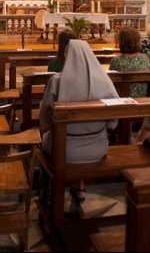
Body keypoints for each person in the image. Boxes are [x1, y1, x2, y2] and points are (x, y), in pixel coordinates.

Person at [39, 40, 119, 202]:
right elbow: (112, 122)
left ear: (67, 57)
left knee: (44, 140)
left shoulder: (57, 81)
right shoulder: (104, 81)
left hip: (63, 148)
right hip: (98, 147)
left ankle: (46, 192)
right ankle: (80, 185)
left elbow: (45, 122)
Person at [110, 26, 150, 97]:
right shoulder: (145, 58)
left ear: (121, 42)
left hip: (122, 99)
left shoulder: (116, 61)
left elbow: (111, 82)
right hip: (142, 98)